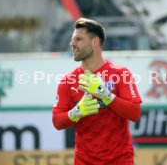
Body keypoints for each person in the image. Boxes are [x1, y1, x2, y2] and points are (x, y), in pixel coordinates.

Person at [52, 18, 142, 165]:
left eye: (78, 39)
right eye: (72, 40)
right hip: (84, 161)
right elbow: (57, 121)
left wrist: (105, 95)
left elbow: (135, 113)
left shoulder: (121, 74)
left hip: (119, 160)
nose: (72, 44)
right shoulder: (67, 81)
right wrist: (76, 112)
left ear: (95, 42)